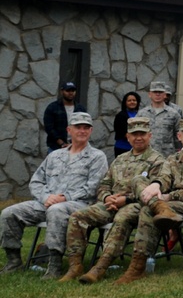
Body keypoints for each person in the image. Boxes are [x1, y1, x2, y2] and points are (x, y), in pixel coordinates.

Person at [104, 118, 183, 285]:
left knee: (147, 210)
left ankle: (137, 267)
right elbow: (164, 178)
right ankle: (139, 262)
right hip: (168, 205)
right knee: (139, 180)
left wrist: (168, 197)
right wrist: (156, 185)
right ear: (179, 136)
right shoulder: (172, 159)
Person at [1, 113, 108, 276]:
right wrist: (45, 197)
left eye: (86, 128)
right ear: (69, 130)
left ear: (91, 130)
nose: (82, 131)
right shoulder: (55, 156)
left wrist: (64, 197)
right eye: (78, 127)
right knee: (9, 213)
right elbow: (35, 182)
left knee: (56, 210)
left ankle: (54, 265)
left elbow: (93, 187)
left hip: (79, 205)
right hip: (46, 202)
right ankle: (14, 261)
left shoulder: (97, 157)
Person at [62, 117, 167, 284]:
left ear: (150, 136)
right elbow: (104, 184)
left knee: (121, 218)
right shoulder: (120, 159)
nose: (138, 137)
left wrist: (125, 200)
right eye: (134, 134)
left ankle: (100, 267)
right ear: (127, 137)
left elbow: (153, 191)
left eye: (142, 134)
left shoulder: (158, 161)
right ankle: (75, 265)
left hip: (136, 205)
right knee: (78, 216)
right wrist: (107, 197)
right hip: (110, 203)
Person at [136, 81, 182, 158]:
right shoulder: (141, 114)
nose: (157, 94)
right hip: (146, 155)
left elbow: (179, 135)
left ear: (165, 95)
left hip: (167, 156)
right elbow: (136, 134)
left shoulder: (174, 114)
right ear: (150, 94)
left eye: (160, 92)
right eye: (155, 92)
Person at [42, 81, 87, 153]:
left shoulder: (80, 109)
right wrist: (62, 143)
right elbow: (49, 128)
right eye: (68, 90)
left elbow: (85, 127)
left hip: (76, 147)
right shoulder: (52, 108)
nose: (71, 93)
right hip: (56, 148)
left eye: (73, 90)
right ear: (62, 91)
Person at [112, 91, 142, 156]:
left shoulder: (141, 114)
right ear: (125, 102)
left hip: (137, 149)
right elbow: (121, 132)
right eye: (129, 100)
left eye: (134, 100)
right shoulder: (120, 115)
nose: (132, 102)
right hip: (122, 148)